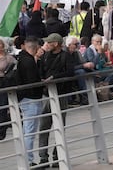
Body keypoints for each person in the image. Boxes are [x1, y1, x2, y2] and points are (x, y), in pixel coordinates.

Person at [38, 33, 74, 166]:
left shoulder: (66, 56)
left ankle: (57, 154)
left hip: (61, 94)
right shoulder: (45, 56)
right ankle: (43, 156)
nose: (47, 45)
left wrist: (54, 78)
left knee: (59, 126)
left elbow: (70, 72)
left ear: (56, 44)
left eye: (49, 42)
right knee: (44, 126)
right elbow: (41, 70)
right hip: (46, 94)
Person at [15, 37, 44, 166]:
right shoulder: (29, 61)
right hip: (31, 98)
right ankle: (29, 160)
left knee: (28, 130)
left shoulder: (20, 58)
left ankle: (27, 159)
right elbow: (33, 80)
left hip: (24, 98)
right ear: (35, 48)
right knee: (30, 131)